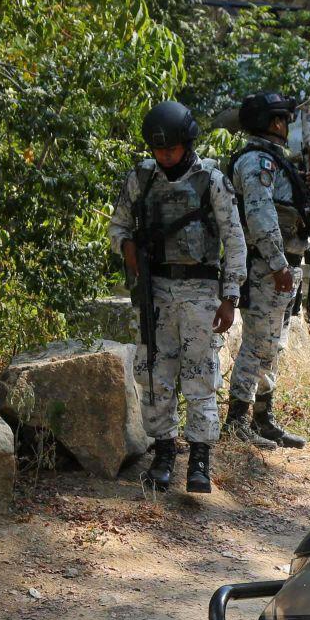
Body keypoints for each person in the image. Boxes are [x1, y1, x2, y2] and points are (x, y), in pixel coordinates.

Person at [108, 101, 247, 495]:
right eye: (158, 149)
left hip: (201, 290)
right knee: (154, 373)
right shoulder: (142, 179)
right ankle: (164, 451)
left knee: (201, 374)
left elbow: (234, 239)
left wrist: (231, 295)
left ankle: (200, 457)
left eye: (171, 148)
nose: (165, 155)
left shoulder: (212, 181)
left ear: (187, 143)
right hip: (155, 291)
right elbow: (118, 225)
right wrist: (127, 247)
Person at [222, 91, 310, 449]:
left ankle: (263, 418)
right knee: (257, 344)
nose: (288, 126)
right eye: (285, 120)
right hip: (267, 267)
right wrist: (277, 263)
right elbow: (260, 217)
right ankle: (237, 421)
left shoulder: (274, 160)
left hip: (283, 265)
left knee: (274, 345)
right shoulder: (257, 162)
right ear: (274, 123)